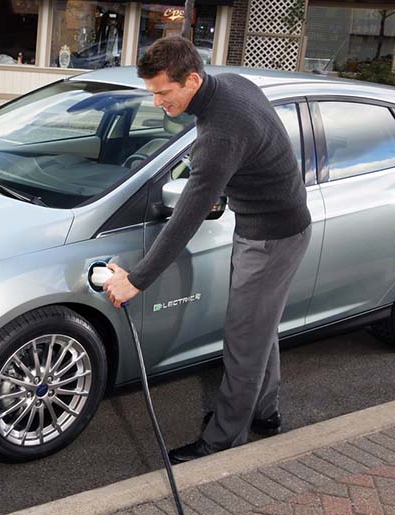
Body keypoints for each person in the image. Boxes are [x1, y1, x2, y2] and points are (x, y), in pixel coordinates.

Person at [101, 36, 312, 463]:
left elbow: (185, 220)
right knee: (258, 329)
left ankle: (222, 442)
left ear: (192, 79)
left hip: (271, 237)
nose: (157, 101)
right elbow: (258, 147)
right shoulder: (233, 83)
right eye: (153, 92)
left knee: (242, 338)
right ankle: (264, 413)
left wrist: (135, 281)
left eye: (163, 92)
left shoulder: (218, 135)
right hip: (276, 225)